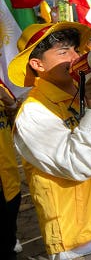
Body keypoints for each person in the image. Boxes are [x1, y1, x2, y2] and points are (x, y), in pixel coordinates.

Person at [8, 22, 91, 259]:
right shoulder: (33, 114)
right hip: (83, 245)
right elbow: (79, 166)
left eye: (75, 49)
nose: (75, 57)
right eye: (63, 52)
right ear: (37, 64)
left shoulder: (80, 93)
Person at [0, 82, 21, 260]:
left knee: (8, 238)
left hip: (9, 181)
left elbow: (17, 127)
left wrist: (10, 103)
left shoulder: (1, 87)